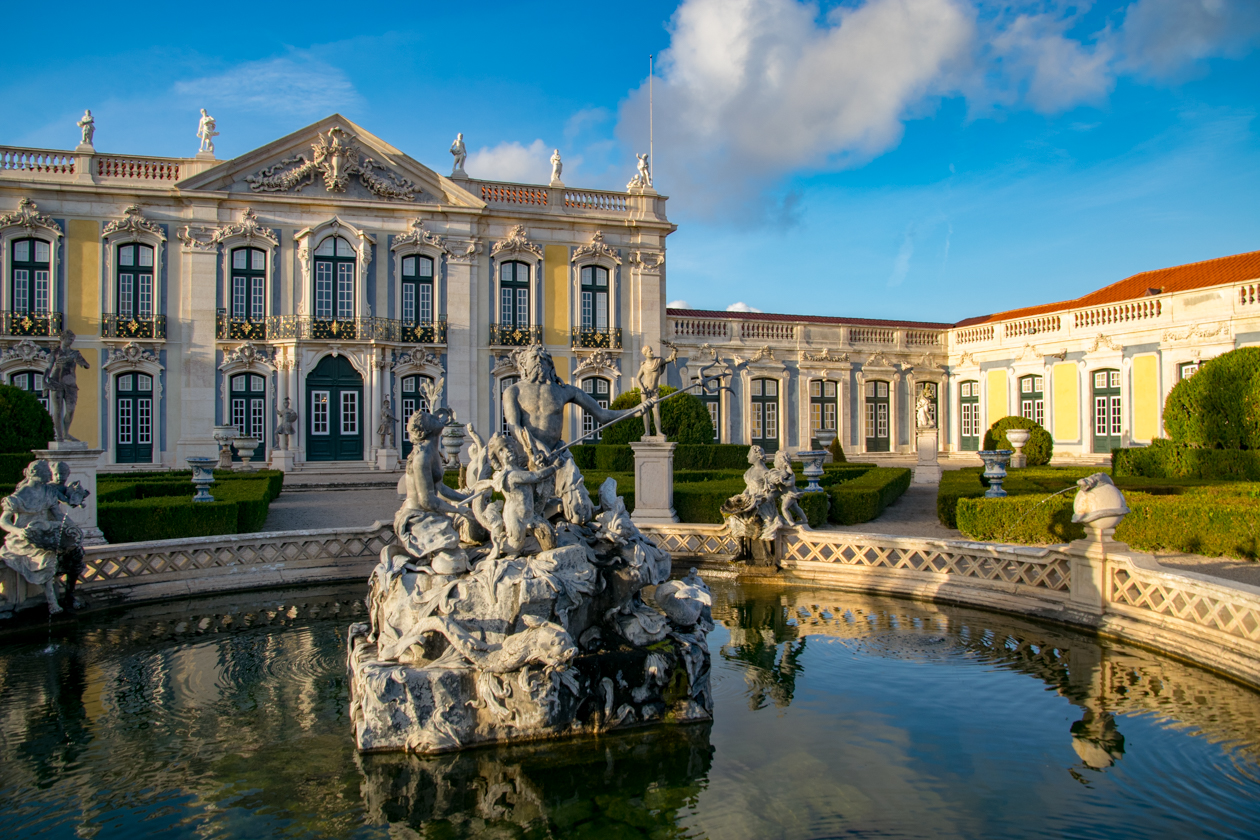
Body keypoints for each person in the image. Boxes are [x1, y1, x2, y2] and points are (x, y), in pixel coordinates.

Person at [501, 344, 634, 523]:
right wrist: (536, 446)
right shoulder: (513, 391)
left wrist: (636, 410)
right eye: (534, 358)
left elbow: (603, 415)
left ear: (551, 365)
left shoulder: (564, 391)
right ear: (523, 365)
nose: (539, 362)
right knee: (523, 517)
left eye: (544, 359)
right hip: (526, 458)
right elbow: (513, 426)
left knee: (579, 514)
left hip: (558, 456)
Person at [394, 410, 474, 574]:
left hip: (429, 512)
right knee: (452, 554)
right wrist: (458, 509)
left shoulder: (432, 451)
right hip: (417, 517)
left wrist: (467, 498)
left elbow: (440, 488)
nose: (435, 416)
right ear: (427, 430)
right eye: (430, 418)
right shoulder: (422, 458)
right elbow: (427, 501)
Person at [44, 331, 90, 443]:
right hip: (57, 383)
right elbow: (49, 367)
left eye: (72, 340)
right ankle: (59, 436)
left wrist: (79, 361)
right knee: (58, 410)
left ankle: (66, 433)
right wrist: (44, 380)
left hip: (70, 384)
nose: (71, 342)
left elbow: (87, 365)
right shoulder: (55, 352)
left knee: (70, 410)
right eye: (69, 339)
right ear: (62, 339)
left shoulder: (75, 353)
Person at [636, 343, 678, 437]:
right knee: (645, 412)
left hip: (654, 391)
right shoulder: (644, 366)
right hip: (645, 392)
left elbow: (669, 359)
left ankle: (658, 432)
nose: (652, 352)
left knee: (656, 411)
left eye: (651, 350)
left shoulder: (658, 361)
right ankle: (647, 432)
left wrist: (674, 351)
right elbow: (638, 379)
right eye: (649, 351)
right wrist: (642, 388)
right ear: (645, 354)